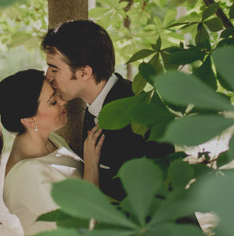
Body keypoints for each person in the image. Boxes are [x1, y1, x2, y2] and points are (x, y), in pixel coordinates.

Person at [42, 20, 174, 201]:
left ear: (84, 73)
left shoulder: (137, 114)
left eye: (54, 69)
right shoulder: (94, 106)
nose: (48, 76)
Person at [0, 69, 104, 236]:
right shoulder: (28, 175)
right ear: (29, 120)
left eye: (56, 94)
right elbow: (83, 226)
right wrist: (91, 166)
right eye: (52, 102)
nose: (62, 102)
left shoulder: (54, 140)